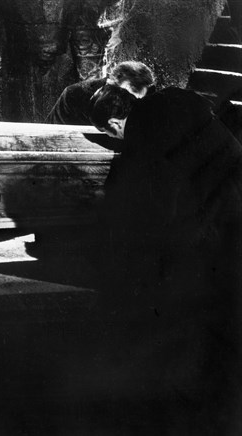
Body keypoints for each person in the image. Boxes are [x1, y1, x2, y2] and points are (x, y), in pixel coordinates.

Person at [89, 84, 242, 434]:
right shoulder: (175, 96)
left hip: (212, 215)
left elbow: (159, 192)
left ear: (114, 123)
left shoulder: (143, 129)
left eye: (112, 133)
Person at [45, 60, 155, 125]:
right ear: (110, 83)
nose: (128, 105)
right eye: (124, 97)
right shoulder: (75, 94)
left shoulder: (147, 101)